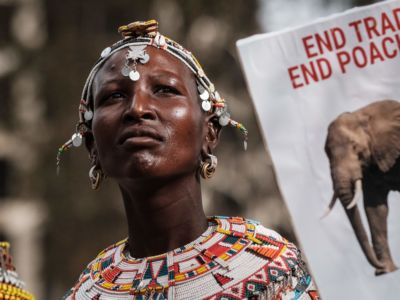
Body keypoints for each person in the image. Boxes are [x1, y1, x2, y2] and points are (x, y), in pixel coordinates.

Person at [60, 20, 318, 300]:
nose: (138, 109)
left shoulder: (270, 267)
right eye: (115, 95)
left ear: (209, 132)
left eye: (164, 90)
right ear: (92, 146)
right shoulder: (88, 292)